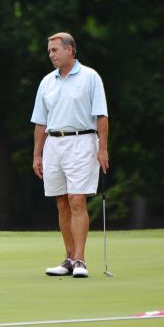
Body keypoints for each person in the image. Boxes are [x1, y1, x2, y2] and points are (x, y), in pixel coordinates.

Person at [31, 32, 109, 278]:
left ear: (70, 50)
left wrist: (103, 148)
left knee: (77, 200)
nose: (50, 54)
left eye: (55, 50)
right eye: (49, 51)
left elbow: (101, 116)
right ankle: (68, 258)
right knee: (61, 202)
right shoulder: (47, 82)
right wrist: (37, 155)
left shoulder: (90, 77)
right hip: (54, 144)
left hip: (82, 141)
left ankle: (80, 261)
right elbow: (40, 122)